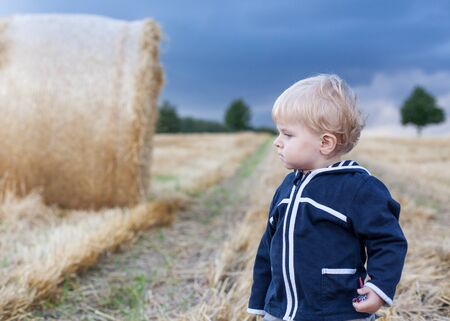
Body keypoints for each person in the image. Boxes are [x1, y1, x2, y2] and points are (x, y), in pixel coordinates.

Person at [247, 74, 408, 321]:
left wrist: (378, 288)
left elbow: (388, 241)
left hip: (336, 312)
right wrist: (261, 302)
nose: (277, 142)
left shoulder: (357, 188)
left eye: (287, 134)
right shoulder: (287, 187)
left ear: (325, 142)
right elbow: (267, 249)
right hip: (281, 312)